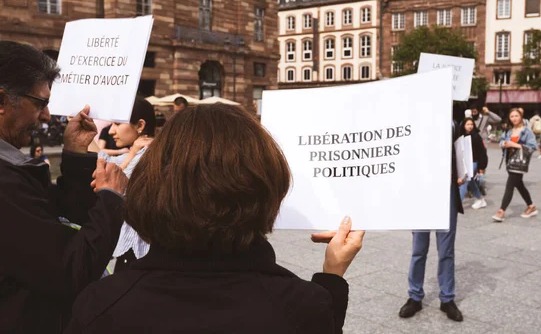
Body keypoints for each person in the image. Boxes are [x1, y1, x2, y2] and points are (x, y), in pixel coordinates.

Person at [65, 104, 365, 333]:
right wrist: (332, 274)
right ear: (266, 187)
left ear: (151, 184)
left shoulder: (99, 305)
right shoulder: (304, 306)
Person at [0, 41, 127, 333]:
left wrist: (74, 156)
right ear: (2, 102)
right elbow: (70, 271)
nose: (46, 117)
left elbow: (60, 221)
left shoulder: (11, 174)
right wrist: (111, 198)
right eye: (41, 104)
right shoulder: (4, 183)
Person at [398, 122, 464, 322]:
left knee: (446, 251)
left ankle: (447, 298)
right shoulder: (419, 119)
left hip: (447, 192)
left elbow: (463, 152)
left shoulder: (454, 123)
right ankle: (415, 296)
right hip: (422, 193)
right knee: (419, 249)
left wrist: (463, 172)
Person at [89, 97, 156, 271]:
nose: (111, 131)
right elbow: (104, 159)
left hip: (140, 250)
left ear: (140, 126)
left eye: (117, 124)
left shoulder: (148, 152)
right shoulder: (137, 152)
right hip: (135, 249)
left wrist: (132, 155)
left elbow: (114, 181)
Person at [493, 108, 539, 222]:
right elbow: (501, 141)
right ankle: (531, 206)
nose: (514, 118)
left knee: (510, 185)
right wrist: (504, 143)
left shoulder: (527, 131)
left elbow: (533, 146)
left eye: (516, 116)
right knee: (519, 184)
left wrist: (515, 145)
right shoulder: (508, 130)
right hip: (509, 160)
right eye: (512, 116)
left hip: (519, 161)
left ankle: (501, 211)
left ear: (521, 117)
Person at [459, 118, 488, 210]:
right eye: (468, 124)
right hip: (464, 162)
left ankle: (457, 203)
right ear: (464, 125)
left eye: (471, 124)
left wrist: (481, 167)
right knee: (471, 182)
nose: (470, 126)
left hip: (473, 162)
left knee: (465, 180)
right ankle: (480, 199)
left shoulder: (476, 137)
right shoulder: (460, 136)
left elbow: (482, 152)